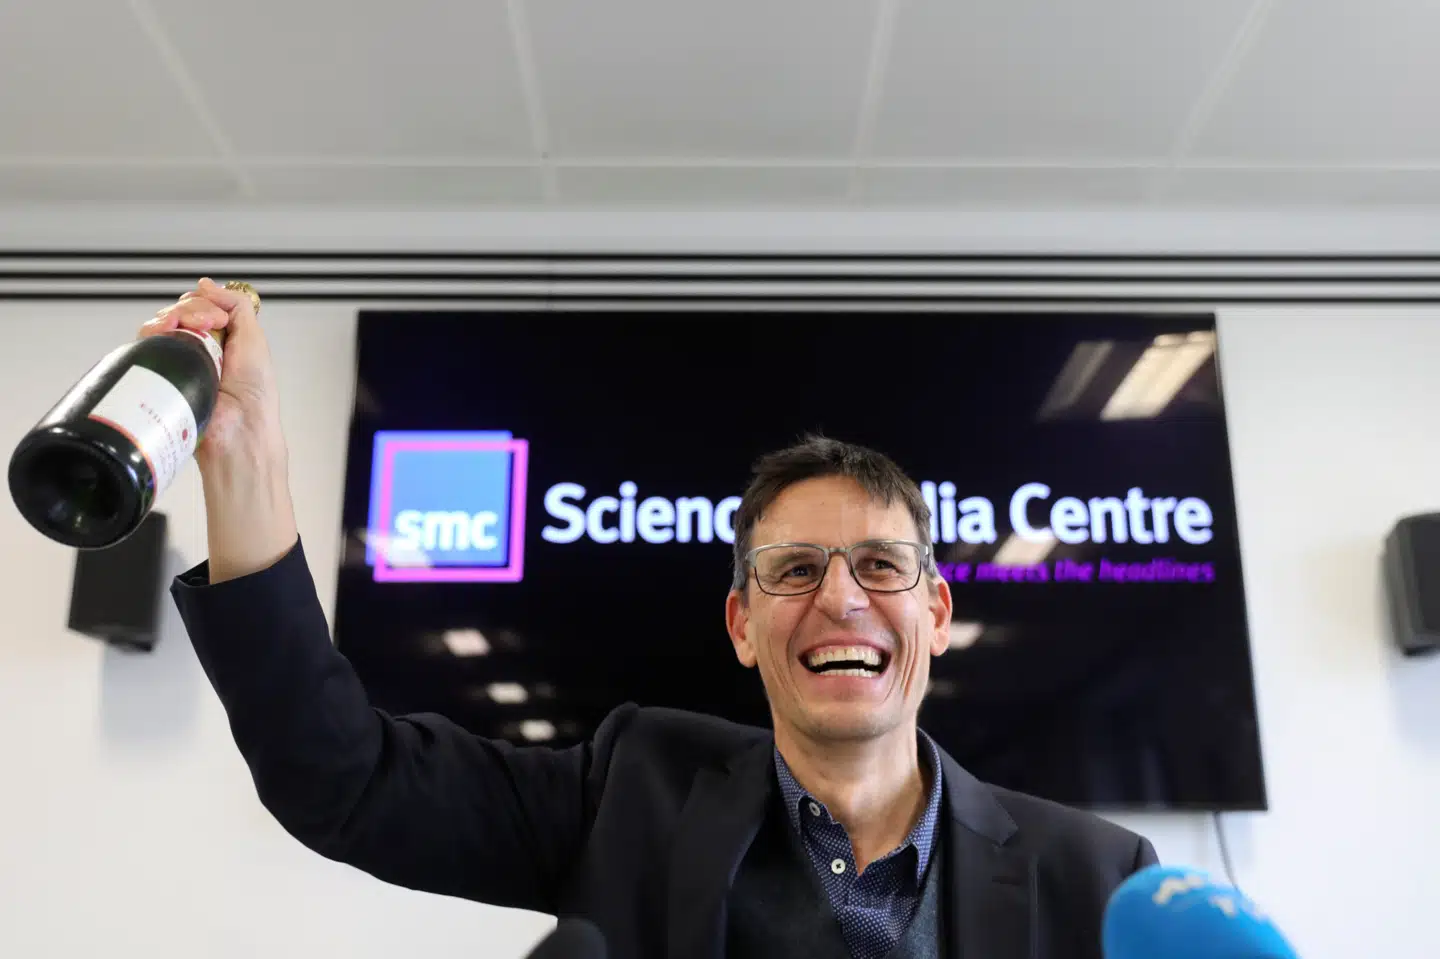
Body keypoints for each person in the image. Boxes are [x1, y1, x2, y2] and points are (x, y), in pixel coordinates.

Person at [149, 279, 1158, 959]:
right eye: (795, 569)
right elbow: (343, 776)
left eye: (881, 565)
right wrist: (243, 454)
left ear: (935, 610)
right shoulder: (629, 791)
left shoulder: (1101, 880)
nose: (841, 597)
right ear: (742, 623)